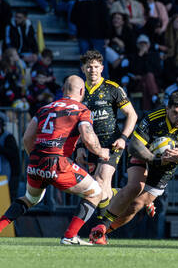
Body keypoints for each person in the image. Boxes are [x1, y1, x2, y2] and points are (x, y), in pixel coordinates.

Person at [0, 75, 110, 245]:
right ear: (81, 91)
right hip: (58, 162)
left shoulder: (44, 108)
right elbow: (88, 137)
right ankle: (69, 236)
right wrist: (100, 151)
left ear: (63, 90)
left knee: (30, 199)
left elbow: (27, 138)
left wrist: (37, 160)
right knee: (95, 192)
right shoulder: (81, 109)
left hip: (36, 160)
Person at [89, 92, 178, 244]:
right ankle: (101, 227)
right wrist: (155, 159)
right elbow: (134, 146)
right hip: (144, 156)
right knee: (135, 187)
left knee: (136, 205)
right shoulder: (153, 118)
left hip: (166, 168)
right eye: (176, 113)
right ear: (167, 108)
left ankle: (103, 232)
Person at [77, 50, 137, 223]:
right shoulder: (79, 91)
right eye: (89, 67)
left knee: (101, 179)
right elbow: (76, 123)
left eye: (96, 67)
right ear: (83, 69)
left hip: (112, 143)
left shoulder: (113, 88)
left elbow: (132, 115)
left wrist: (123, 138)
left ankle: (102, 228)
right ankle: (122, 194)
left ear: (102, 68)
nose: (92, 70)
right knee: (98, 189)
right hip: (89, 145)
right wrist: (80, 147)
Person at [0, 111, 20, 200]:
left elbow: (12, 154)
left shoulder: (8, 137)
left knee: (9, 196)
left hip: (11, 172)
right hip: (3, 171)